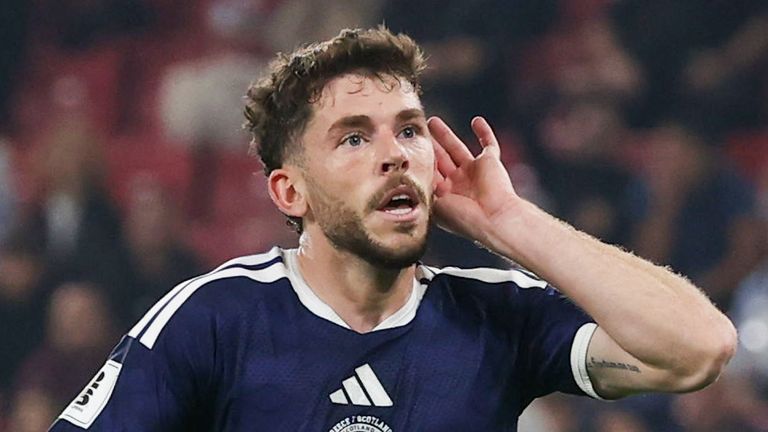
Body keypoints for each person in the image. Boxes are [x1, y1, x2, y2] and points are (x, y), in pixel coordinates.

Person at [49, 27, 736, 431]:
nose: (395, 152)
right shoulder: (215, 318)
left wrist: (511, 222)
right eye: (353, 138)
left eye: (409, 129)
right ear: (291, 192)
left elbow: (697, 350)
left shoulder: (496, 314)